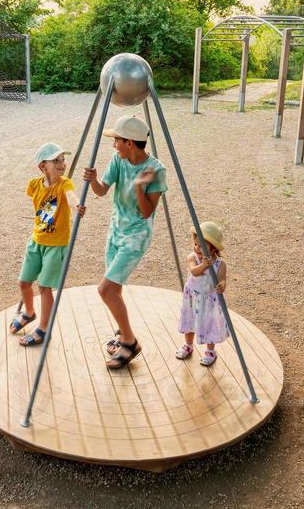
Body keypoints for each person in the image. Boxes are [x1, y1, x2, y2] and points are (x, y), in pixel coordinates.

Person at [81, 115, 167, 369]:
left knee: (105, 289)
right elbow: (101, 191)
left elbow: (147, 212)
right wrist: (93, 179)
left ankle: (130, 342)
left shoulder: (156, 170)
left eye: (117, 140)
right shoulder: (118, 160)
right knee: (115, 290)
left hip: (136, 235)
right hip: (115, 231)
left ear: (130, 142)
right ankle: (123, 332)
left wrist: (140, 187)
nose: (113, 145)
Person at [11, 143, 85, 347]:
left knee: (44, 287)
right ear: (42, 166)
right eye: (56, 160)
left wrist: (76, 205)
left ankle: (44, 328)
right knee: (24, 283)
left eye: (63, 160)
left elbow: (70, 196)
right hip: (37, 240)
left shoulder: (64, 184)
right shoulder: (34, 185)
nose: (62, 164)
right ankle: (29, 312)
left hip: (56, 245)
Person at [177, 221, 228, 366]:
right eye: (195, 244)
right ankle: (188, 345)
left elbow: (222, 279)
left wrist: (222, 285)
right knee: (190, 321)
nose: (197, 248)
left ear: (213, 248)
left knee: (209, 324)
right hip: (193, 298)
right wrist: (204, 265)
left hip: (209, 301)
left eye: (202, 245)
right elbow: (194, 271)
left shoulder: (220, 264)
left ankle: (210, 351)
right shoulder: (192, 257)